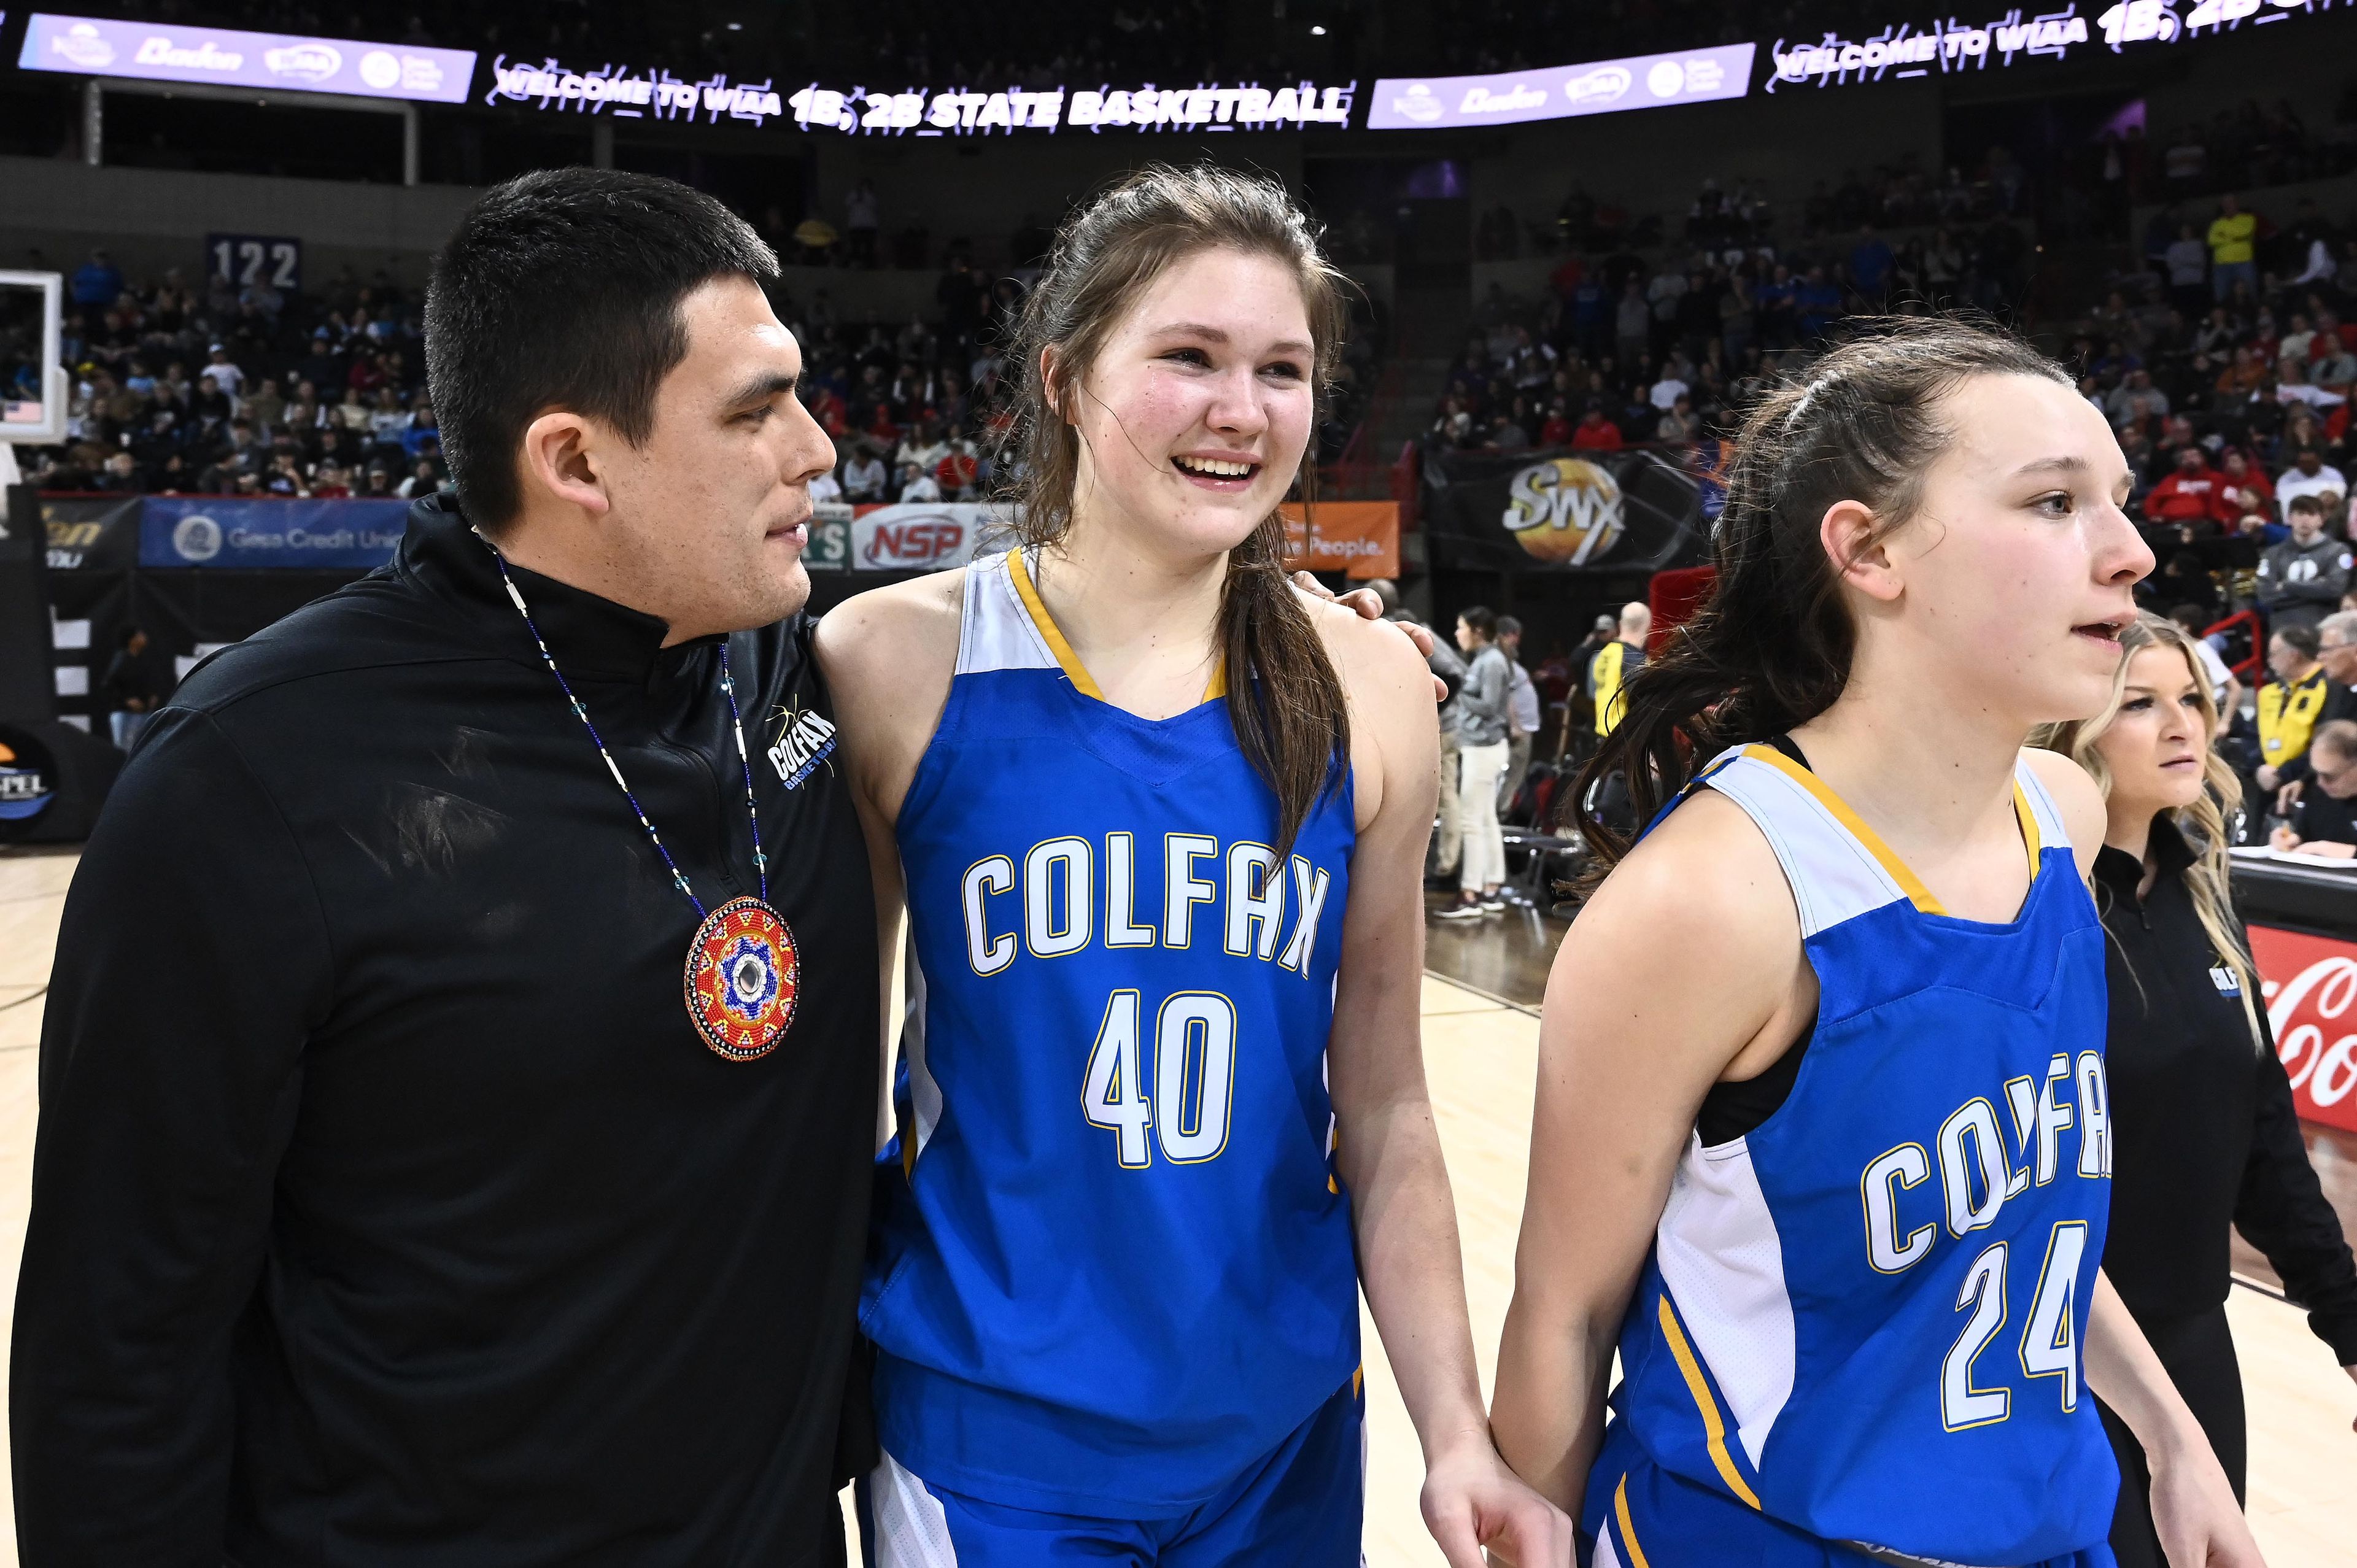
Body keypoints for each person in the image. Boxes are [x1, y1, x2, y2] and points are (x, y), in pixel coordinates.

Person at [14, 169, 885, 1564]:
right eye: (753, 410)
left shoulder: (795, 663)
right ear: (576, 461)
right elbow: (118, 1345)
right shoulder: (257, 776)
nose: (818, 447)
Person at [816, 164, 1566, 1567]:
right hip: (991, 1439)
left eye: (1280, 368)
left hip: (1275, 1434)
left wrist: (1453, 1428)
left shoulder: (1367, 686)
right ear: (1062, 378)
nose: (1241, 409)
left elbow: (1391, 1109)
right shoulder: (892, 662)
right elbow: (831, 1093)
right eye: (1188, 357)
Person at [1490, 319, 2262, 1568]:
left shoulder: (2060, 816)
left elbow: (2021, 1224)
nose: (2132, 551)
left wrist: (2174, 1440)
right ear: (1869, 550)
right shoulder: (1712, 898)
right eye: (2057, 501)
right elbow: (1563, 1317)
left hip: (2051, 1526)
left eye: (2118, 501)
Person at [2032, 616, 2357, 1566]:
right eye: (2140, 702)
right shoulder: (2027, 903)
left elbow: (2264, 1137)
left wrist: (2348, 1321)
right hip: (2053, 1358)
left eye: (2193, 700)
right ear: (2076, 726)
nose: (2182, 724)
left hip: (2194, 1340)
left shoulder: (2206, 896)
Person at [1439, 605, 1513, 921]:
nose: (1458, 634)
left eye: (1461, 627)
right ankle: (1492, 887)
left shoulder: (1492, 662)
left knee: (1472, 821)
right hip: (1483, 748)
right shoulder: (1486, 660)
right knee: (1485, 820)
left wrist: (1456, 691)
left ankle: (1469, 893)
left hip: (1484, 748)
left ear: (1478, 631)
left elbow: (1490, 707)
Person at [2256, 624, 2331, 800]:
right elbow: (2255, 734)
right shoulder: (2269, 692)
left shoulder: (2327, 688)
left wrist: (2284, 773)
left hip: (2308, 783)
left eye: (2273, 654)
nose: (2269, 660)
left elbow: (2325, 741)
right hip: (2267, 782)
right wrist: (2259, 768)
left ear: (2293, 656)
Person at [2256, 493, 2350, 631]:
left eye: (2311, 514)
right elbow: (2265, 595)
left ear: (2321, 520)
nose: (2305, 520)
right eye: (2300, 514)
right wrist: (2317, 589)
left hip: (2323, 627)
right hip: (2282, 629)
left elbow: (2335, 589)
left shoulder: (2338, 551)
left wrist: (2287, 586)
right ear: (2290, 518)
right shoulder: (2272, 554)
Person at [2273, 719, 2357, 853]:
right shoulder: (2319, 794)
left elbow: (2319, 847)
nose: (2320, 783)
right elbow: (2301, 836)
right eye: (2316, 773)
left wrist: (2334, 850)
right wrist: (2289, 840)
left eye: (2330, 777)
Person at [1497, 614, 1541, 817]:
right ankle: (1503, 815)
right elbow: (1505, 697)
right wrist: (1514, 726)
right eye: (1515, 636)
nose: (1517, 641)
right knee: (1512, 776)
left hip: (1524, 727)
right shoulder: (1499, 662)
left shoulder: (1509, 663)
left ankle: (1505, 814)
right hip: (1518, 730)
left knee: (1516, 776)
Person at [99, 625, 166, 752]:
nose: (144, 638)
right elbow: (108, 685)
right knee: (123, 750)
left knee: (140, 749)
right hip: (123, 713)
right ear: (132, 640)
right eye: (140, 635)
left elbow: (149, 682)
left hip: (142, 712)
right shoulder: (121, 659)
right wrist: (126, 700)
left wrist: (152, 696)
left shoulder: (142, 659)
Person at [1587, 600, 1649, 738]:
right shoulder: (1632, 657)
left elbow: (1592, 694)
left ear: (1620, 625)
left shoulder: (1604, 654)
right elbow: (1646, 701)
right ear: (1648, 627)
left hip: (1604, 735)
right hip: (1625, 737)